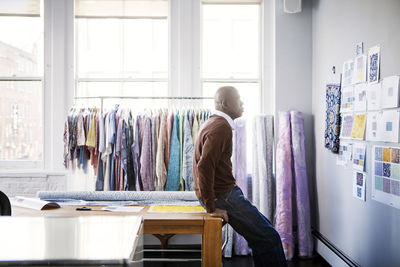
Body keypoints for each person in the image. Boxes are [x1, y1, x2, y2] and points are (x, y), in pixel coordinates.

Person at [193, 86, 287, 267]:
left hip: (224, 195)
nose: (242, 102)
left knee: (263, 236)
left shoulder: (213, 123)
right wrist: (211, 207)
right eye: (238, 99)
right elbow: (204, 166)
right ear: (225, 103)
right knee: (269, 238)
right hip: (224, 196)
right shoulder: (221, 127)